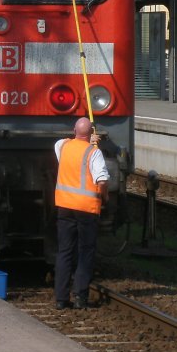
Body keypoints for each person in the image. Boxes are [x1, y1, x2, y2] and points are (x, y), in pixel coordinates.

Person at [54, 116, 109, 310]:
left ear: (74, 131)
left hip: (64, 207)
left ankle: (60, 299)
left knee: (64, 251)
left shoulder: (62, 146)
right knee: (85, 252)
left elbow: (64, 141)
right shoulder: (93, 153)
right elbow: (101, 180)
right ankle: (79, 297)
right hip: (86, 209)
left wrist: (86, 139)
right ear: (91, 134)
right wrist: (105, 197)